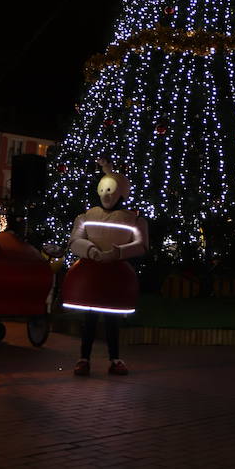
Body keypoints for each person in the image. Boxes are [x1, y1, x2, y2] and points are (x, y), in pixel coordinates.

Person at [63, 157, 149, 376]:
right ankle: (84, 358)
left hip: (115, 276)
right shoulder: (87, 216)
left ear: (121, 192)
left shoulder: (132, 219)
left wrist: (117, 253)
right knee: (89, 319)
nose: (107, 195)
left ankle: (114, 358)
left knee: (112, 319)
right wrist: (90, 250)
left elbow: (141, 245)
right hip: (90, 275)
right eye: (104, 189)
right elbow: (74, 240)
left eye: (111, 189)